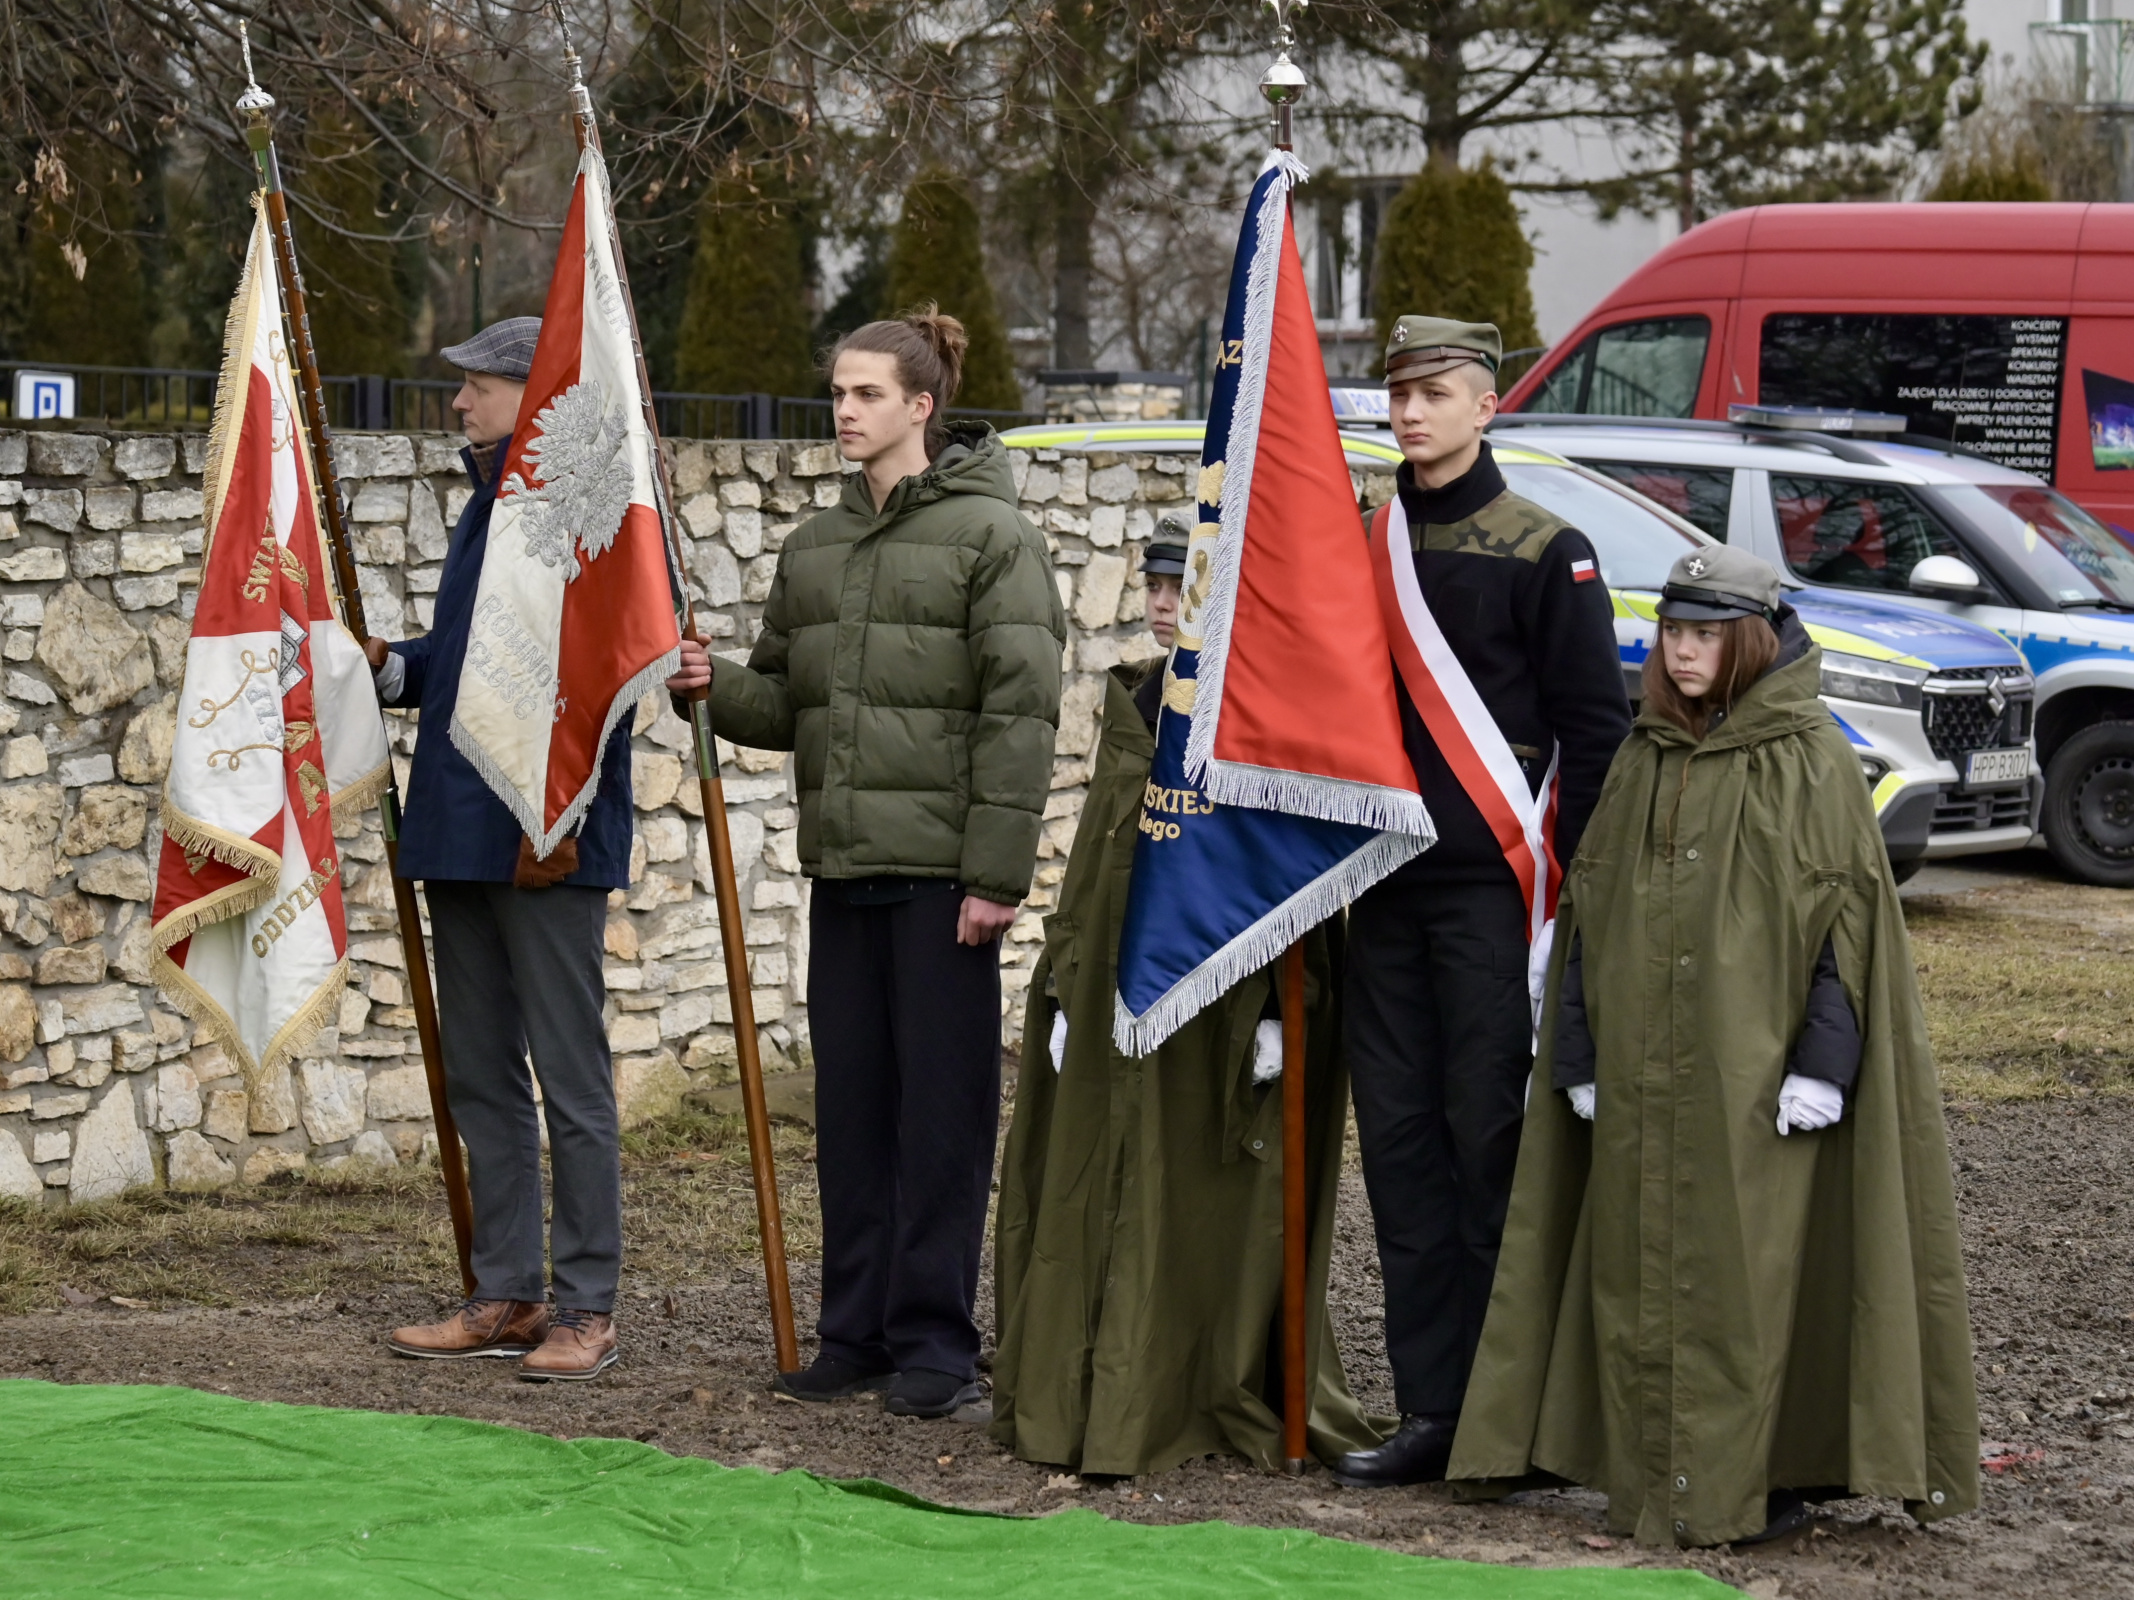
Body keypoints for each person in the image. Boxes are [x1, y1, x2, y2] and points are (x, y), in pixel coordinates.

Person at [1447, 546, 1980, 1546]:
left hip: (1757, 1078)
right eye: (1671, 633)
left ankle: (1754, 1477)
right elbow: (1587, 920)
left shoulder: (1810, 756)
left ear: (1747, 637)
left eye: (1701, 634)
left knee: (1752, 1276)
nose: (1679, 652)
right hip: (1642, 1076)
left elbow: (1848, 929)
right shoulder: (1646, 753)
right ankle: (1649, 1478)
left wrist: (1823, 1063)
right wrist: (1576, 1057)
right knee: (1633, 1278)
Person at [668, 305, 1065, 1419]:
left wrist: (996, 876)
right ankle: (855, 1334)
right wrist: (701, 683)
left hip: (944, 882)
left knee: (939, 1121)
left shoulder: (996, 540)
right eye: (837, 393)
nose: (844, 412)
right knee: (851, 1114)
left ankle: (934, 1341)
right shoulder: (814, 546)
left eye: (866, 395)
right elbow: (783, 703)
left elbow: (1019, 714)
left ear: (921, 405)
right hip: (844, 872)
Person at [988, 526, 1385, 1475]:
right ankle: (1092, 1387)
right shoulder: (1137, 711)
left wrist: (1289, 1016)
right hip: (1118, 996)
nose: (1166, 601)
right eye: (1158, 584)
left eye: (1185, 587)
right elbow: (1098, 864)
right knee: (1104, 1183)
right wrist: (1070, 985)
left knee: (1201, 1197)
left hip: (1226, 1009)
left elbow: (1289, 882)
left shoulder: (1264, 723)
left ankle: (1183, 1385)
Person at [1334, 317, 1633, 1489]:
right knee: (1402, 1151)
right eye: (1397, 392)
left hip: (1496, 901)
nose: (1409, 412)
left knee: (1492, 1149)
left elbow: (1596, 738)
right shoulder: (1362, 544)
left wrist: (1572, 907)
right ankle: (1435, 1410)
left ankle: (1523, 1418)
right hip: (1381, 893)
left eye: (1434, 391)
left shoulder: (1547, 548)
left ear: (1486, 404)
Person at [365, 316, 644, 1381]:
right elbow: (475, 663)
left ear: (533, 394)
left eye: (477, 387)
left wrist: (560, 818)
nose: (458, 403)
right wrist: (393, 667)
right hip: (461, 827)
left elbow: (609, 671)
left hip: (548, 837)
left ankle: (586, 1303)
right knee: (482, 1075)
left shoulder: (594, 514)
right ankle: (508, 1292)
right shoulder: (486, 506)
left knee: (571, 1081)